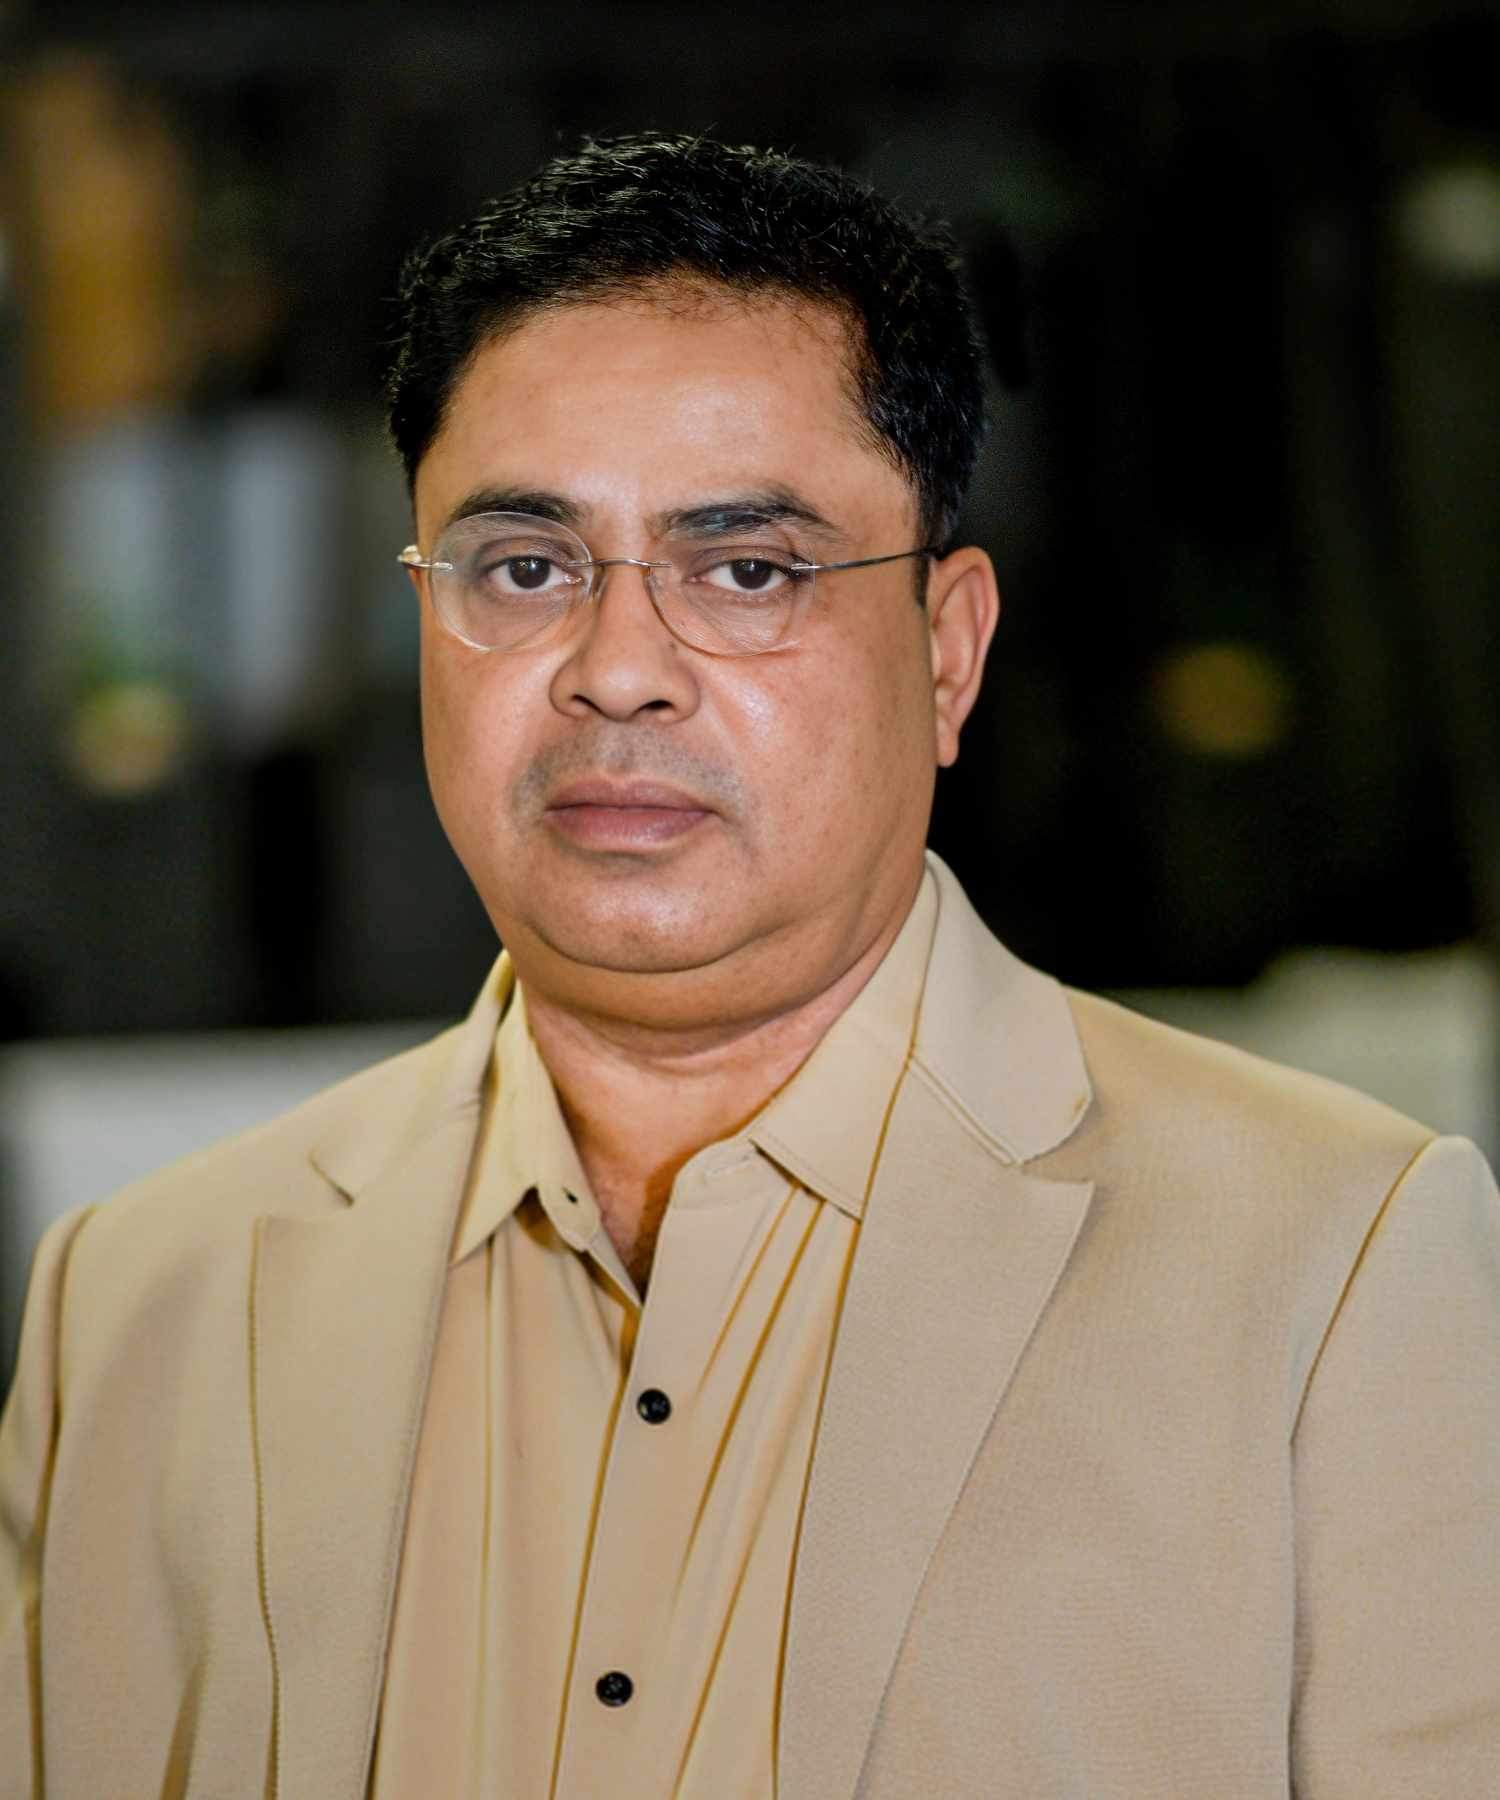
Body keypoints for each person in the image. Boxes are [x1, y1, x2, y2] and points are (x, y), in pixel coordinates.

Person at [2, 133, 1497, 1800]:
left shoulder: (1330, 1268)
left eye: (747, 570)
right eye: (524, 569)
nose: (617, 671)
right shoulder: (143, 1303)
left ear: (947, 652)